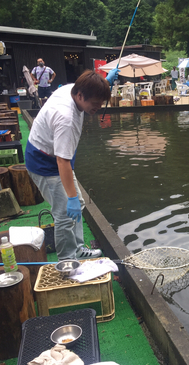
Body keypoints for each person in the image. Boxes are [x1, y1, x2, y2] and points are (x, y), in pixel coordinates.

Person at [25, 68, 119, 260]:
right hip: (44, 162)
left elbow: (64, 159)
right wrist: (71, 197)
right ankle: (67, 261)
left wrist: (104, 81)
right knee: (64, 214)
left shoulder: (75, 89)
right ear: (79, 95)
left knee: (79, 203)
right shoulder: (66, 118)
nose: (98, 107)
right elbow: (62, 161)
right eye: (95, 103)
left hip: (54, 154)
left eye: (101, 102)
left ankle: (77, 249)